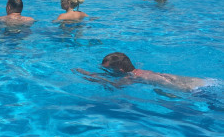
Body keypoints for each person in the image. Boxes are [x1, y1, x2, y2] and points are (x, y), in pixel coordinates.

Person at [77, 52, 208, 92]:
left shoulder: (131, 78)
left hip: (195, 92)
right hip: (200, 82)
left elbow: (115, 86)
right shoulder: (139, 71)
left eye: (109, 69)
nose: (106, 70)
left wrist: (90, 76)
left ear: (121, 70)